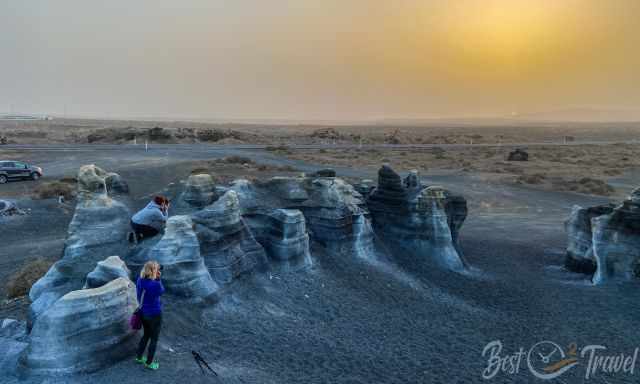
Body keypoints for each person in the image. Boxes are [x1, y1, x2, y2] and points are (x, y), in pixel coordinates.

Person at [135, 261, 165, 370]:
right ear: (154, 271)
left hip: (143, 313)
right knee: (154, 339)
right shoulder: (155, 284)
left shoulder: (140, 280)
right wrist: (158, 279)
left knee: (146, 335)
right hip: (155, 314)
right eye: (157, 268)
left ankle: (139, 357)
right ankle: (149, 363)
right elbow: (161, 291)